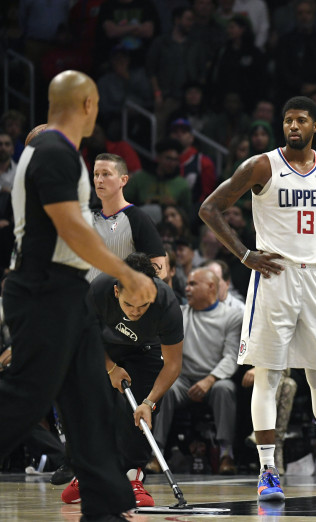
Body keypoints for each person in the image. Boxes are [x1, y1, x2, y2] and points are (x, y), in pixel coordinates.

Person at [198, 96, 316, 500]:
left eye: (301, 120)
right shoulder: (262, 165)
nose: (293, 126)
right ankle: (268, 471)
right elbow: (210, 208)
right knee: (269, 376)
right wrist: (245, 254)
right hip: (275, 276)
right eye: (287, 121)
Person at [0, 70, 156, 521]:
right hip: (43, 289)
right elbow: (70, 226)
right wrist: (126, 272)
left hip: (68, 292)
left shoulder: (57, 152)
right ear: (87, 104)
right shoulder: (52, 151)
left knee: (88, 401)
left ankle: (106, 504)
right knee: (24, 398)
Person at [62, 253, 183, 507]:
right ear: (117, 291)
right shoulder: (99, 290)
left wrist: (149, 403)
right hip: (104, 347)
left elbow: (173, 364)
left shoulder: (167, 304)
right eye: (129, 305)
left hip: (146, 351)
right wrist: (110, 368)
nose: (135, 312)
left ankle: (133, 477)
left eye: (142, 306)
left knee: (138, 413)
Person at [151, 268, 242, 474]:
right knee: (166, 387)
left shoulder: (232, 316)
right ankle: (156, 453)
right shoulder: (179, 314)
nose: (187, 288)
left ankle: (226, 454)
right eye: (187, 284)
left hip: (214, 380)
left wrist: (209, 380)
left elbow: (231, 356)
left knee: (225, 389)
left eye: (193, 284)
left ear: (211, 287)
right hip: (182, 379)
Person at [87, 153, 167, 281]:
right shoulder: (87, 217)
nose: (99, 180)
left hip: (120, 298)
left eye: (106, 174)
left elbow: (161, 271)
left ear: (123, 180)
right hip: (85, 298)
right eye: (96, 174)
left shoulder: (138, 218)